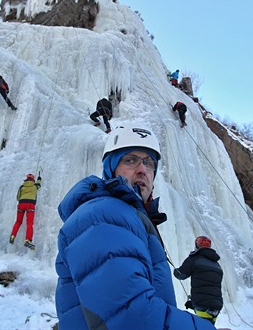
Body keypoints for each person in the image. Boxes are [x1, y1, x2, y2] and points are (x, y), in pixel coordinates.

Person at [55, 125, 215, 329]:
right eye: (130, 160)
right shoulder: (102, 216)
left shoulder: (126, 218)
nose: (142, 170)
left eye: (149, 163)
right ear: (110, 169)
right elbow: (134, 315)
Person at [174, 236, 223, 325]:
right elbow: (210, 286)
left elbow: (181, 275)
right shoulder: (217, 265)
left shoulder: (194, 259)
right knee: (208, 326)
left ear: (197, 246)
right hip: (216, 306)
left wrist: (175, 270)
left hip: (202, 305)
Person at [10, 173, 42, 250]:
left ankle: (12, 236)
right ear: (33, 179)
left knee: (18, 221)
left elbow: (18, 197)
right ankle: (27, 240)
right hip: (30, 204)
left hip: (21, 203)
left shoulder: (22, 187)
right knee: (29, 223)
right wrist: (39, 179)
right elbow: (39, 185)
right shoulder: (35, 186)